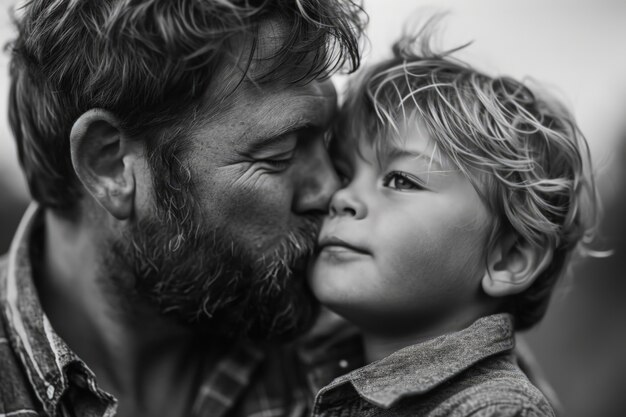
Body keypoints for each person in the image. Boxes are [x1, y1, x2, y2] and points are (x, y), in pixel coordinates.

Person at [0, 1, 366, 416]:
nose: (331, 189)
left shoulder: (358, 349)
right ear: (110, 165)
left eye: (328, 143)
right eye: (280, 155)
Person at [308, 25, 597, 417]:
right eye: (343, 174)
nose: (341, 197)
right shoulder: (302, 357)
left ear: (507, 258)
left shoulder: (496, 411)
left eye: (400, 180)